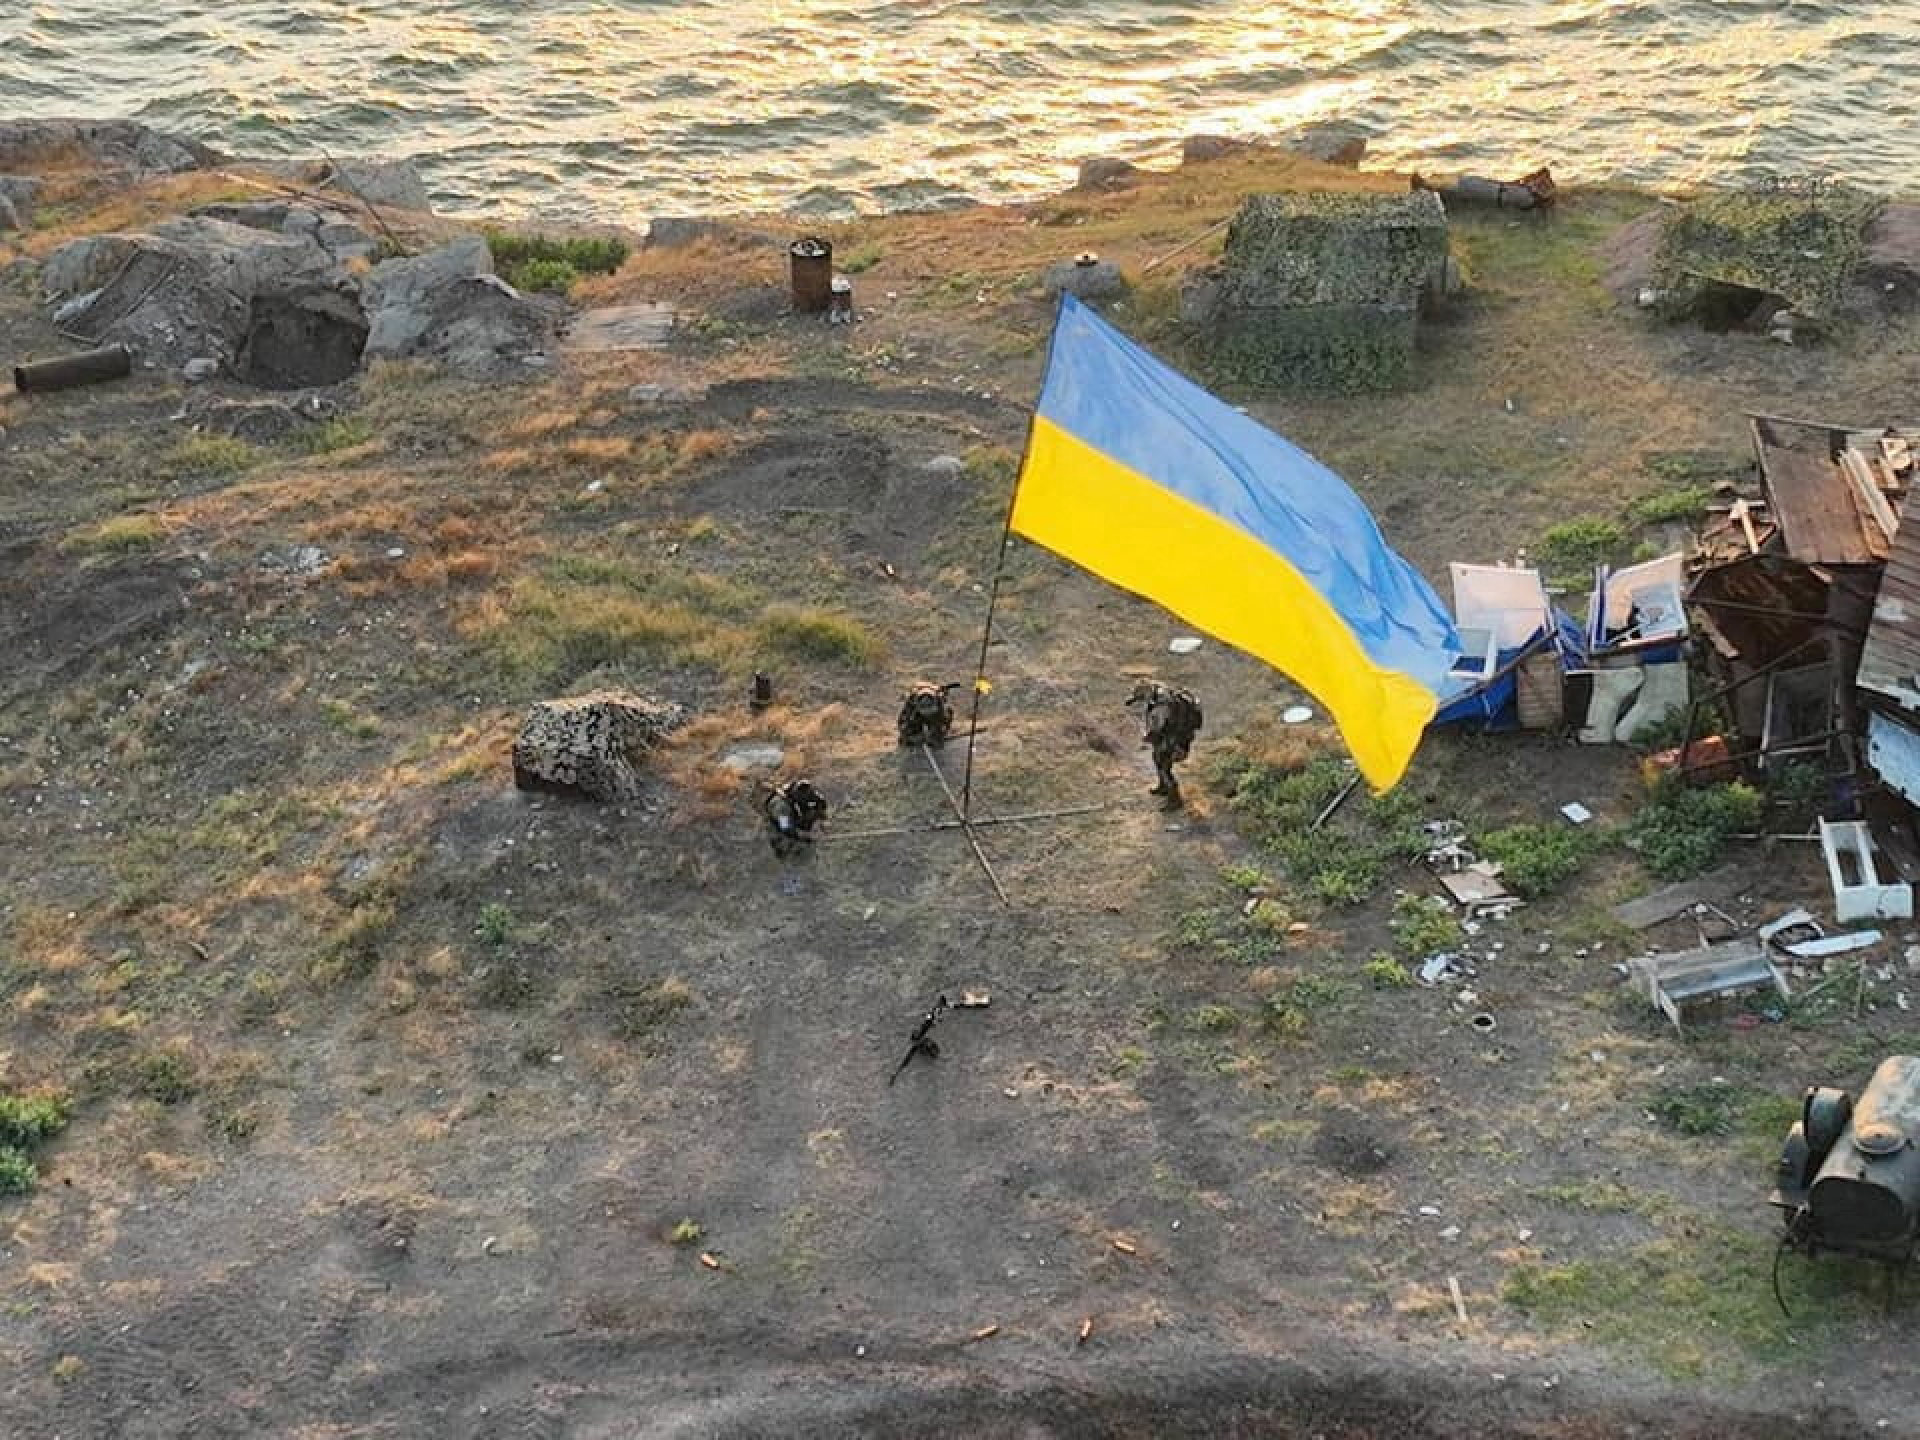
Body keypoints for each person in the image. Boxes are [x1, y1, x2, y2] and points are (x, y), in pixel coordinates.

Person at [1125, 680, 1203, 807]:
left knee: (1164, 766)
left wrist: (1149, 736)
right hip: (1173, 733)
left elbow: (1158, 727)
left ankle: (1174, 799)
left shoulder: (1161, 706)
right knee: (1157, 758)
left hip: (1175, 737)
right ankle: (1163, 787)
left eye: (1140, 699)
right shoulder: (1161, 692)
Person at [763, 778, 828, 857]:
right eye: (803, 795)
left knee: (812, 813)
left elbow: (820, 801)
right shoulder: (781, 806)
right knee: (782, 839)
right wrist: (803, 836)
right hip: (778, 823)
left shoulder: (803, 790)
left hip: (793, 814)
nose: (807, 795)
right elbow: (785, 827)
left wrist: (819, 808)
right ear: (795, 793)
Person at [896, 681, 960, 747]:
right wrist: (913, 737)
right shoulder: (911, 703)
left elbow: (945, 721)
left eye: (929, 709)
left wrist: (937, 733)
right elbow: (902, 725)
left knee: (938, 734)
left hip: (935, 714)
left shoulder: (939, 701)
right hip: (916, 716)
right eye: (925, 710)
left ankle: (935, 737)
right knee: (908, 738)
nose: (927, 713)